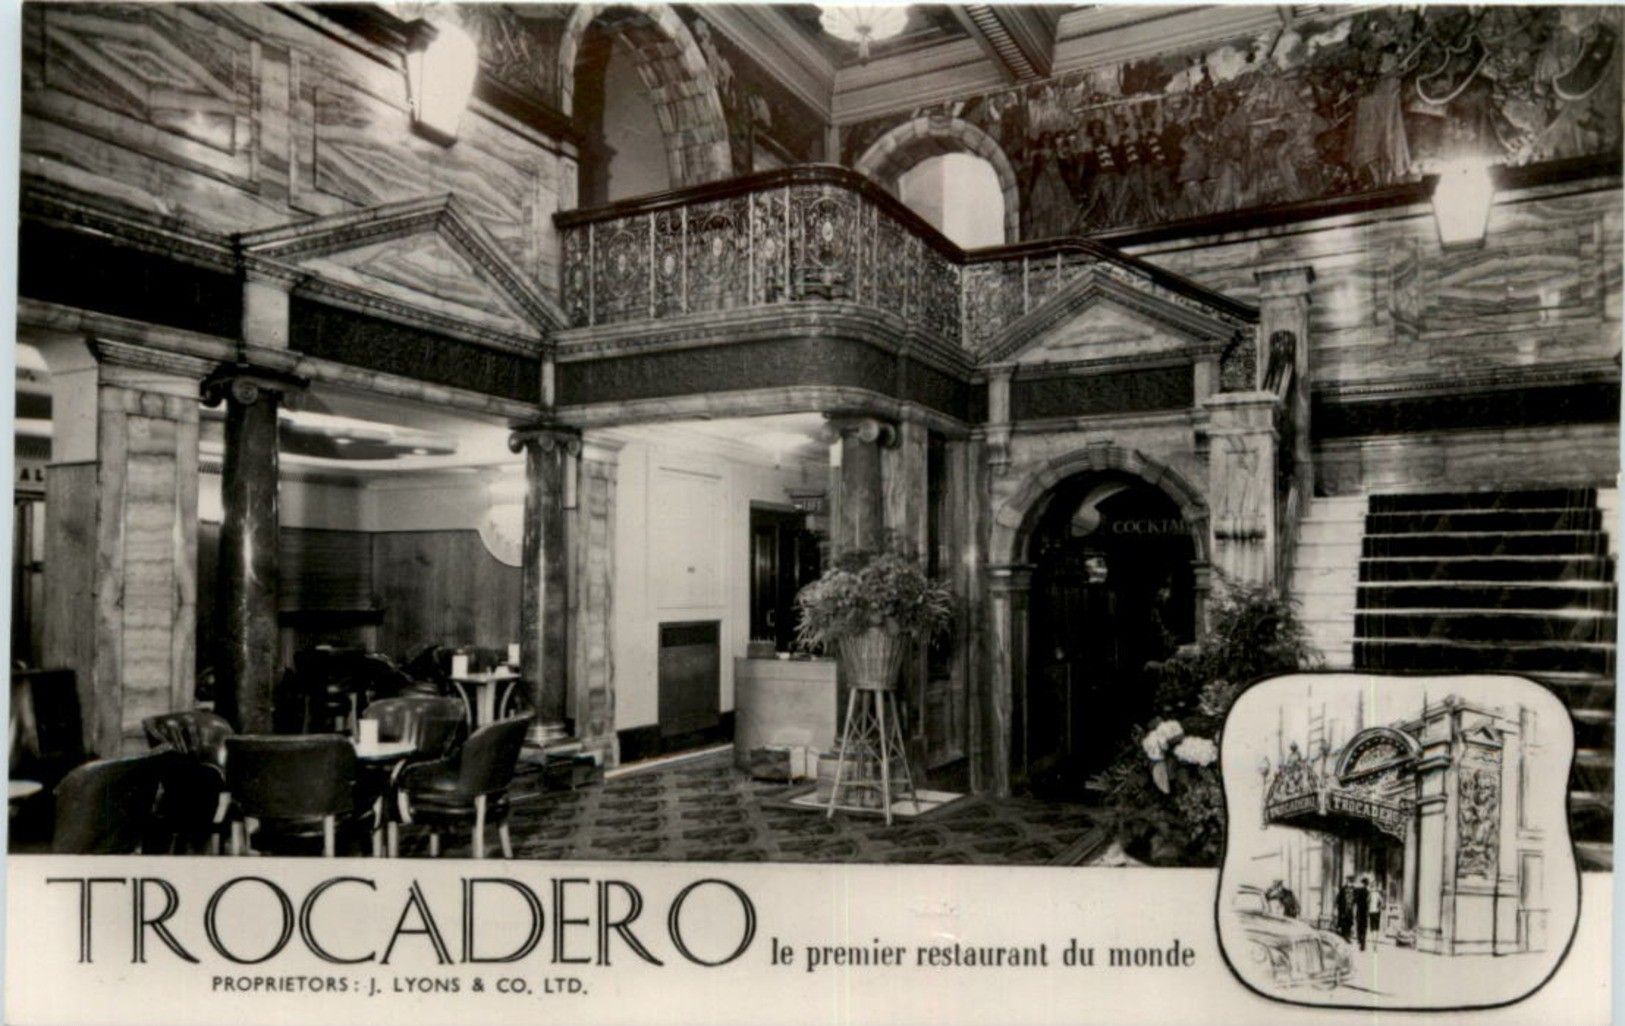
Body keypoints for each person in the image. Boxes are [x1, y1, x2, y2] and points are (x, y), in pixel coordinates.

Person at [1353, 876, 1372, 951]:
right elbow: (1369, 902)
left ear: (1362, 883)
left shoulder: (1358, 891)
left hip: (1359, 912)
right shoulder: (1368, 892)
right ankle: (1363, 944)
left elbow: (1355, 900)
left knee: (1359, 927)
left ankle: (1360, 940)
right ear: (1367, 884)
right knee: (1364, 928)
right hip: (1364, 913)